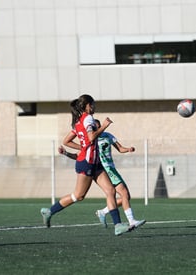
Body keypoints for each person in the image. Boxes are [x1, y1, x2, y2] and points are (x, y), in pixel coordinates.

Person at [40, 94, 130, 236]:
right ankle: (49, 211)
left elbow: (67, 141)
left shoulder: (79, 121)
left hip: (95, 162)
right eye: (93, 104)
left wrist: (83, 147)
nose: (94, 106)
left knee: (111, 191)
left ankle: (118, 225)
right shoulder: (88, 118)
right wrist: (104, 127)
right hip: (87, 162)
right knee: (78, 196)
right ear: (87, 105)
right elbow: (91, 137)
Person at [59, 119, 146, 230]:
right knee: (123, 193)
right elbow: (78, 156)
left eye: (98, 125)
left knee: (126, 196)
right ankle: (131, 221)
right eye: (95, 126)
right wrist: (65, 153)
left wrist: (128, 149)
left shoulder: (108, 136)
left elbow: (120, 148)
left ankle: (103, 212)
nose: (97, 127)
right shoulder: (90, 141)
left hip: (111, 169)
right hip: (102, 170)